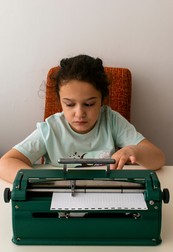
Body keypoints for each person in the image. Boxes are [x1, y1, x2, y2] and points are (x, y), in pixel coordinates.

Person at [0, 54, 165, 183]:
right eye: (70, 105)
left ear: (102, 100)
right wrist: (39, 182)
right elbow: (5, 163)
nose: (79, 114)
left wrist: (132, 150)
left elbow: (158, 158)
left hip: (105, 194)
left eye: (89, 104)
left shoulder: (111, 120)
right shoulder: (51, 128)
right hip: (59, 196)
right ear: (60, 102)